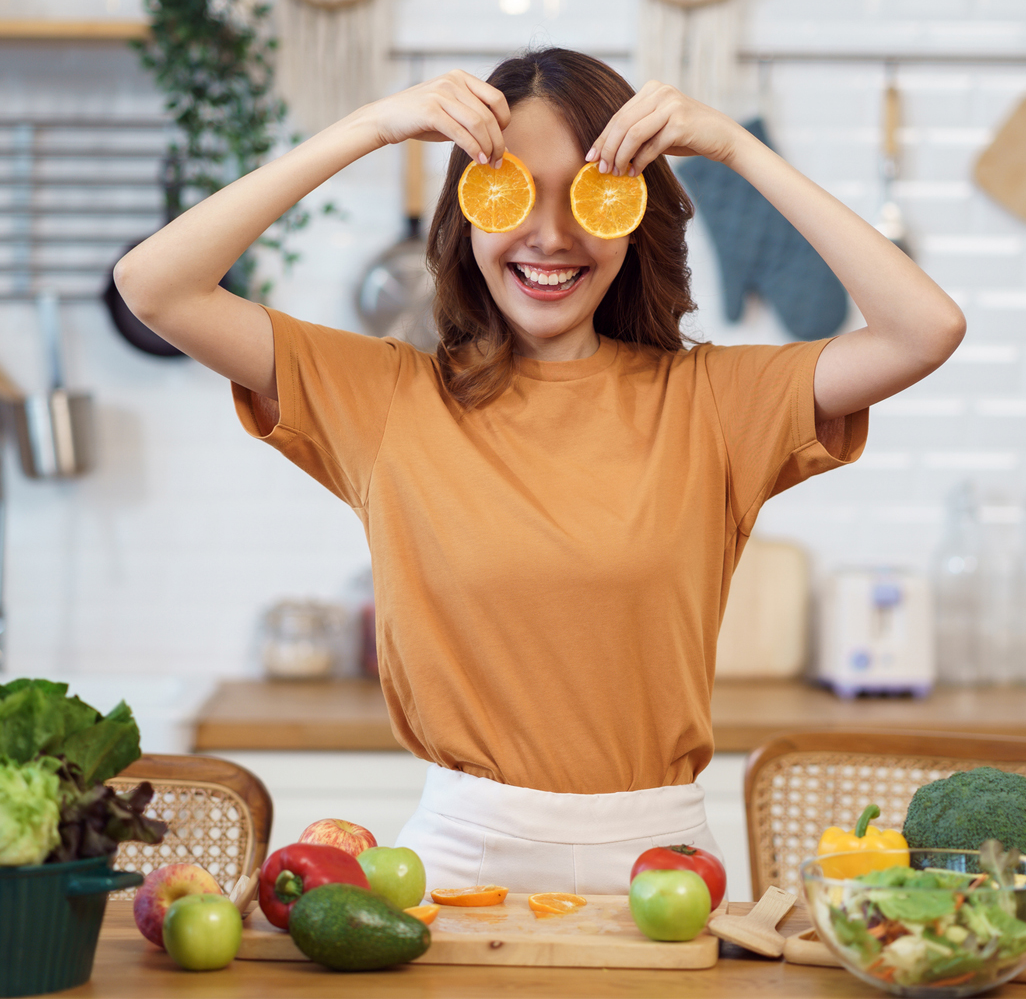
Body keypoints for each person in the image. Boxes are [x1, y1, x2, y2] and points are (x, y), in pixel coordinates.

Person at [115, 48, 965, 897]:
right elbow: (154, 286)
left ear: (636, 218)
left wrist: (739, 149)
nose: (553, 235)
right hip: (453, 867)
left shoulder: (715, 403)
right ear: (466, 213)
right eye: (513, 191)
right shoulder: (386, 399)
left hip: (662, 873)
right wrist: (373, 127)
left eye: (593, 192)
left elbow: (923, 328)